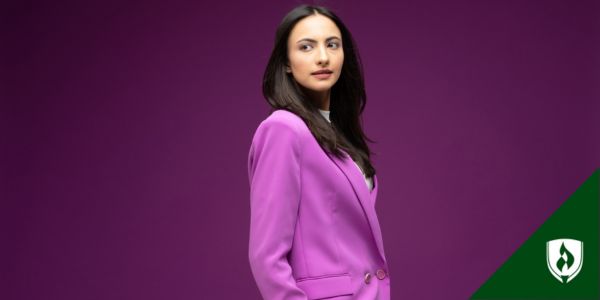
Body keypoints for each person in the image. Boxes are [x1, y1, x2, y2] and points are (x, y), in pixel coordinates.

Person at [247, 4, 390, 300]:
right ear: (286, 62)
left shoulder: (338, 134)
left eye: (332, 44)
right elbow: (267, 257)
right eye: (306, 47)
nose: (322, 57)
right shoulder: (284, 129)